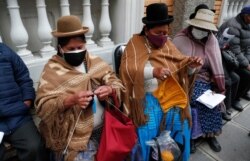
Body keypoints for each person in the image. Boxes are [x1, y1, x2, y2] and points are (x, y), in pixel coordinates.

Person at [119, 3, 203, 161]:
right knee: (146, 129)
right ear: (147, 30)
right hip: (147, 99)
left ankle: (175, 156)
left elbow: (181, 68)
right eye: (158, 33)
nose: (163, 36)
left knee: (183, 121)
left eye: (165, 32)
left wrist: (191, 67)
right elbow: (127, 71)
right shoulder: (135, 44)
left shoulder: (168, 44)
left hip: (170, 96)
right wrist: (153, 72)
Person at [35, 15, 124, 161]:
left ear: (85, 45)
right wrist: (70, 100)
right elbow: (43, 108)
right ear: (60, 48)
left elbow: (115, 82)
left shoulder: (94, 61)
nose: (76, 51)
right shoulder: (51, 70)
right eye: (71, 48)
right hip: (74, 139)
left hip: (105, 129)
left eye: (80, 47)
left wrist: (110, 90)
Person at [173, 5, 225, 153]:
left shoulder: (212, 40)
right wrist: (191, 67)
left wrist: (216, 84)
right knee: (197, 100)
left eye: (206, 30)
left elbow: (216, 66)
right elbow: (175, 67)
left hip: (206, 78)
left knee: (212, 101)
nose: (202, 32)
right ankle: (192, 137)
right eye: (199, 28)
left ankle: (210, 134)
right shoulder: (180, 39)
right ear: (192, 25)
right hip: (185, 79)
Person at [0, 43, 48, 161]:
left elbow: (23, 77)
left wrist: (27, 100)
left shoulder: (4, 51)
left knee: (34, 147)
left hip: (18, 116)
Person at [217, 5, 250, 112]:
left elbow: (248, 46)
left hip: (240, 57)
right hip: (229, 58)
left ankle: (242, 93)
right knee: (245, 75)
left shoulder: (247, 24)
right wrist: (246, 64)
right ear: (246, 16)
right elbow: (235, 49)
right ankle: (235, 98)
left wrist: (248, 61)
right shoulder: (233, 26)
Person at [218, 28, 240, 121]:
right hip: (215, 65)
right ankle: (223, 109)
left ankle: (230, 104)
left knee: (236, 78)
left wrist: (225, 47)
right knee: (228, 82)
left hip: (223, 62)